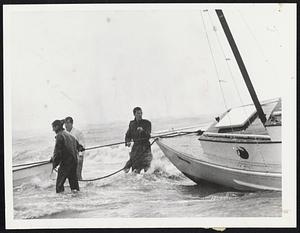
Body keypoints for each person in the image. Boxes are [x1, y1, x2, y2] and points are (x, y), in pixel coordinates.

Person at [51, 120, 84, 193]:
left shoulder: (59, 136)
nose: (53, 130)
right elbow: (79, 146)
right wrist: (80, 148)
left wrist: (54, 164)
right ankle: (77, 199)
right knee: (74, 185)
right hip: (74, 162)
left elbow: (58, 152)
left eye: (53, 127)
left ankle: (61, 202)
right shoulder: (69, 135)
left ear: (56, 127)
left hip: (66, 163)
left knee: (59, 186)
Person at [124, 107, 153, 173]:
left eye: (141, 113)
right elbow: (128, 135)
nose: (140, 115)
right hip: (136, 148)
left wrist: (143, 131)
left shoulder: (147, 123)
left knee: (147, 170)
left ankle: (149, 182)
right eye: (138, 113)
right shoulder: (132, 124)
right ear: (134, 114)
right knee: (135, 171)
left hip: (145, 147)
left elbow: (148, 136)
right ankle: (135, 182)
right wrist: (127, 141)